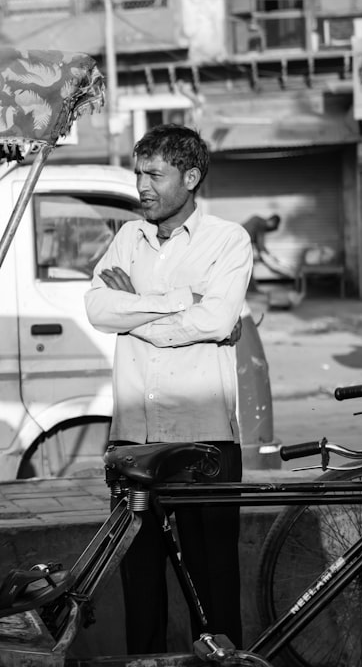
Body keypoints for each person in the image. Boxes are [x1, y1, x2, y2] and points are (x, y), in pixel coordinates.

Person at [84, 124, 253, 653]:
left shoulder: (228, 239)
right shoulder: (127, 238)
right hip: (135, 438)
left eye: (154, 174)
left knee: (215, 592)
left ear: (191, 176)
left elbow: (219, 316)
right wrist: (181, 301)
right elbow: (96, 306)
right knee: (141, 588)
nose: (143, 186)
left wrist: (134, 309)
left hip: (205, 442)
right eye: (139, 173)